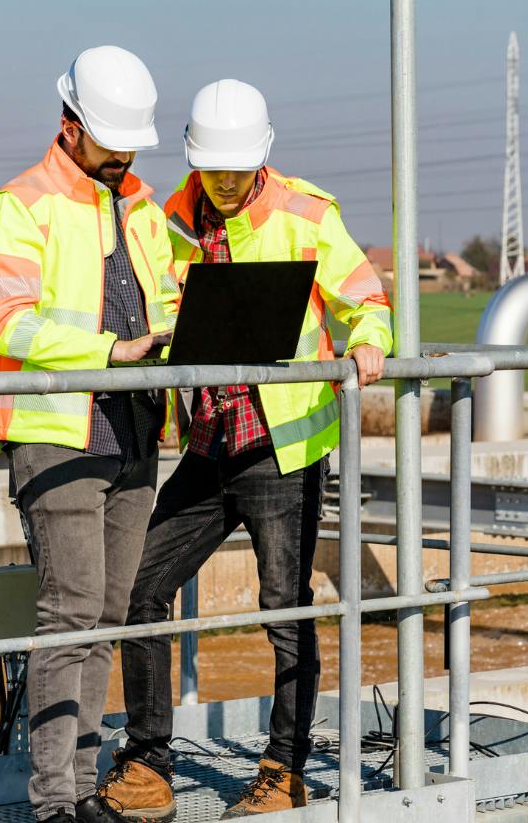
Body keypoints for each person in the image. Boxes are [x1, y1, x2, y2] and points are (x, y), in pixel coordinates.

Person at [98, 79, 392, 819]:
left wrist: (369, 342)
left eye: (236, 171)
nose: (225, 184)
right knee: (142, 590)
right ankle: (148, 762)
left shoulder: (306, 211)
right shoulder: (169, 218)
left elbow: (366, 296)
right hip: (207, 443)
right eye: (213, 170)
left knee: (283, 609)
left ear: (260, 157)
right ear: (196, 161)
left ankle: (283, 770)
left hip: (280, 448)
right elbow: (163, 306)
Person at [0, 45, 180, 823]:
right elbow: (12, 323)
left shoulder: (143, 206)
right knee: (71, 613)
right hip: (58, 432)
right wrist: (108, 351)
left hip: (133, 428)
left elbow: (162, 298)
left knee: (109, 615)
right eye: (111, 140)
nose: (124, 154)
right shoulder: (19, 205)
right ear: (69, 125)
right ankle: (52, 803)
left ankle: (86, 788)